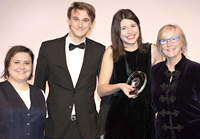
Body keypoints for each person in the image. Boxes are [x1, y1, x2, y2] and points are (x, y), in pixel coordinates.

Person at [34, 2, 106, 139]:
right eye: (76, 19)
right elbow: (38, 89)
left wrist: (101, 123)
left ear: (92, 23)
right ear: (68, 20)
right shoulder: (48, 48)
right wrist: (38, 123)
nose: (80, 24)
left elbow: (105, 90)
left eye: (85, 20)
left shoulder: (99, 50)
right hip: (55, 128)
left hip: (89, 128)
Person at [97, 9, 163, 139]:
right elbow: (101, 90)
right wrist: (119, 86)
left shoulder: (153, 50)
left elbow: (160, 87)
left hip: (146, 116)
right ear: (117, 32)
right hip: (118, 117)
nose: (130, 32)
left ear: (139, 26)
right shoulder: (111, 52)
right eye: (124, 28)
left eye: (133, 26)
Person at [151, 24, 200, 139]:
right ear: (160, 46)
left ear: (181, 42)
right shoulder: (154, 71)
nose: (169, 44)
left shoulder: (196, 70)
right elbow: (151, 106)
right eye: (164, 40)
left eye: (173, 39)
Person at [0, 45, 46, 139]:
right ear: (7, 65)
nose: (22, 67)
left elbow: (44, 128)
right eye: (16, 62)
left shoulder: (40, 93)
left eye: (27, 63)